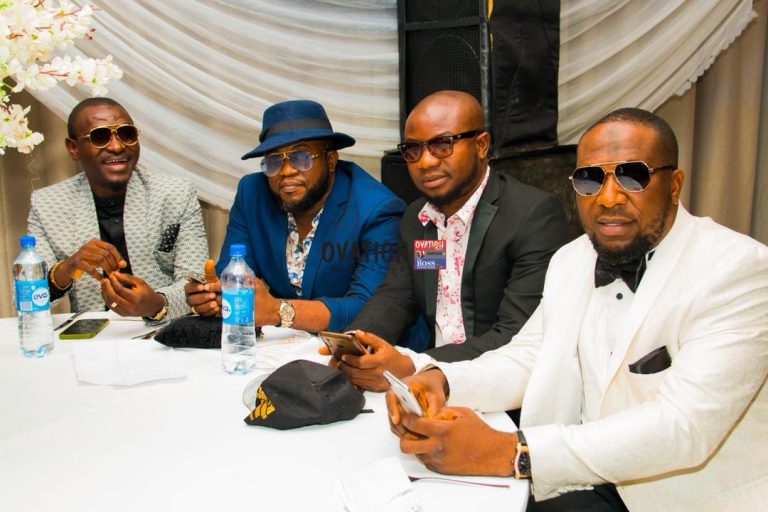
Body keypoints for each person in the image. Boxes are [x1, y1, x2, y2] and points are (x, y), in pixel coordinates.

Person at [386, 108, 768, 511]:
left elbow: (683, 426)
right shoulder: (572, 259)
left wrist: (510, 451)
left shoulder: (738, 269)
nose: (608, 197)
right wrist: (441, 380)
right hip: (581, 476)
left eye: (632, 176)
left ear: (674, 185)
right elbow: (528, 356)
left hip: (678, 497)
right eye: (590, 179)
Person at [331, 90, 570, 391]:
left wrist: (414, 365)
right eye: (412, 149)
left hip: (503, 392)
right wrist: (356, 344)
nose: (425, 162)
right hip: (428, 385)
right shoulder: (420, 218)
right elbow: (399, 295)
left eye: (442, 144)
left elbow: (515, 335)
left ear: (481, 145)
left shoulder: (531, 216)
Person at [185, 100, 405, 332]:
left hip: (357, 344)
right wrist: (214, 297)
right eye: (274, 160)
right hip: (283, 343)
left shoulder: (376, 209)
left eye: (301, 157)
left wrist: (279, 311)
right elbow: (236, 277)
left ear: (331, 160)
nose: (286, 171)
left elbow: (369, 308)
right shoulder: (252, 194)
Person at [27, 97, 209, 323]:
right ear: (74, 148)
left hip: (165, 330)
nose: (117, 146)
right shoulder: (47, 204)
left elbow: (197, 282)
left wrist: (156, 303)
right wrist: (68, 267)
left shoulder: (175, 193)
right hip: (92, 335)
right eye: (100, 137)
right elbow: (27, 297)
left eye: (126, 134)